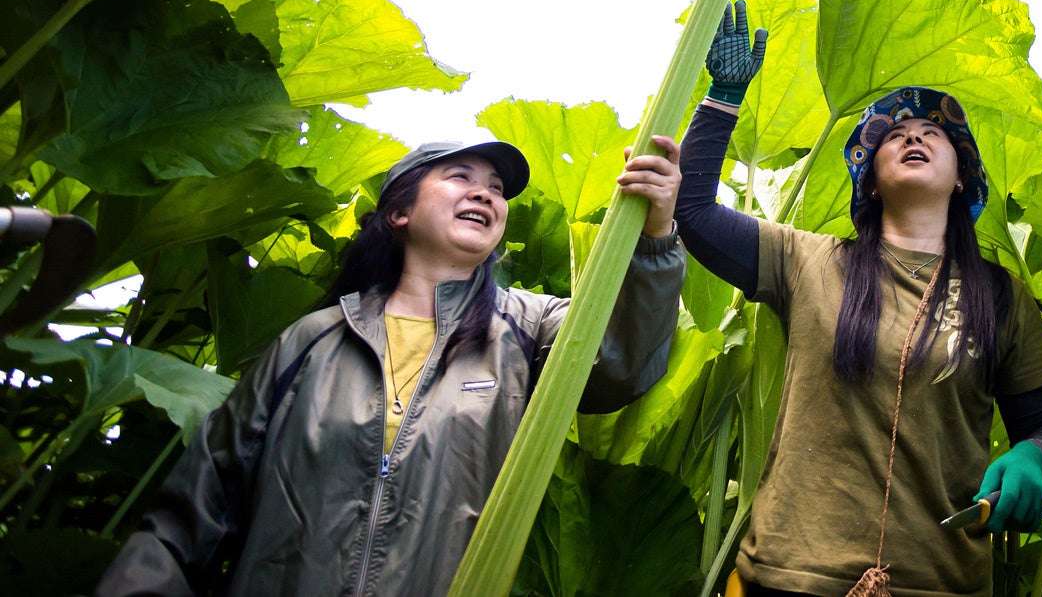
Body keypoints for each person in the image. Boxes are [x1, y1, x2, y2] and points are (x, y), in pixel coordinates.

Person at [97, 133, 687, 597]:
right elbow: (195, 507)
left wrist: (655, 233)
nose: (486, 194)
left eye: (497, 189)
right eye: (461, 177)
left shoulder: (527, 330)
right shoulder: (310, 341)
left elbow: (620, 363)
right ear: (399, 212)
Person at [670, 2, 1042, 597]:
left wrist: (1036, 459)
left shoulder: (1000, 297)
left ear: (962, 177)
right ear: (871, 180)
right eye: (894, 137)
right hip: (787, 576)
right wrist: (722, 98)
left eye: (932, 133)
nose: (912, 134)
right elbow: (695, 212)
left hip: (940, 583)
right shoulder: (807, 260)